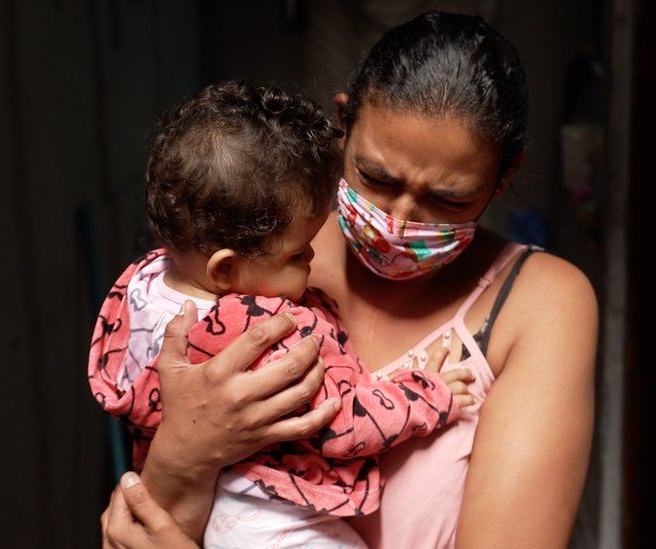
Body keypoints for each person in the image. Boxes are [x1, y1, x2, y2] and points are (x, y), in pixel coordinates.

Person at [99, 11, 597, 548]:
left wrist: (185, 460)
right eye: (377, 177)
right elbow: (137, 529)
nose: (401, 223)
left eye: (448, 198)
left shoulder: (541, 303)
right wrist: (181, 457)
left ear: (505, 176)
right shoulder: (256, 250)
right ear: (342, 125)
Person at [89, 80, 478, 548]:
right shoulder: (266, 332)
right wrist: (429, 395)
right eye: (297, 255)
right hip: (272, 526)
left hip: (192, 512)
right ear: (227, 268)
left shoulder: (140, 288)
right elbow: (341, 424)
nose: (313, 259)